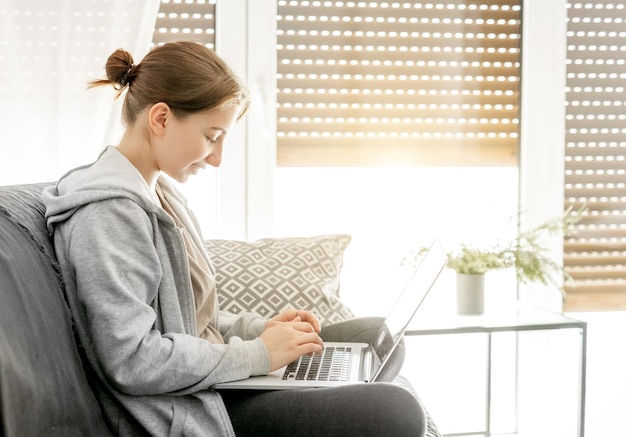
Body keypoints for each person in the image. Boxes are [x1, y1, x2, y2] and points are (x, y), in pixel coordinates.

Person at [42, 41, 427, 437]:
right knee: (398, 412)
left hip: (212, 380)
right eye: (212, 136)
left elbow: (191, 321)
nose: (217, 158)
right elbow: (133, 360)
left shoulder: (161, 193)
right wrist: (259, 354)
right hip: (189, 406)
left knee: (380, 339)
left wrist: (257, 329)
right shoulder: (109, 215)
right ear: (160, 118)